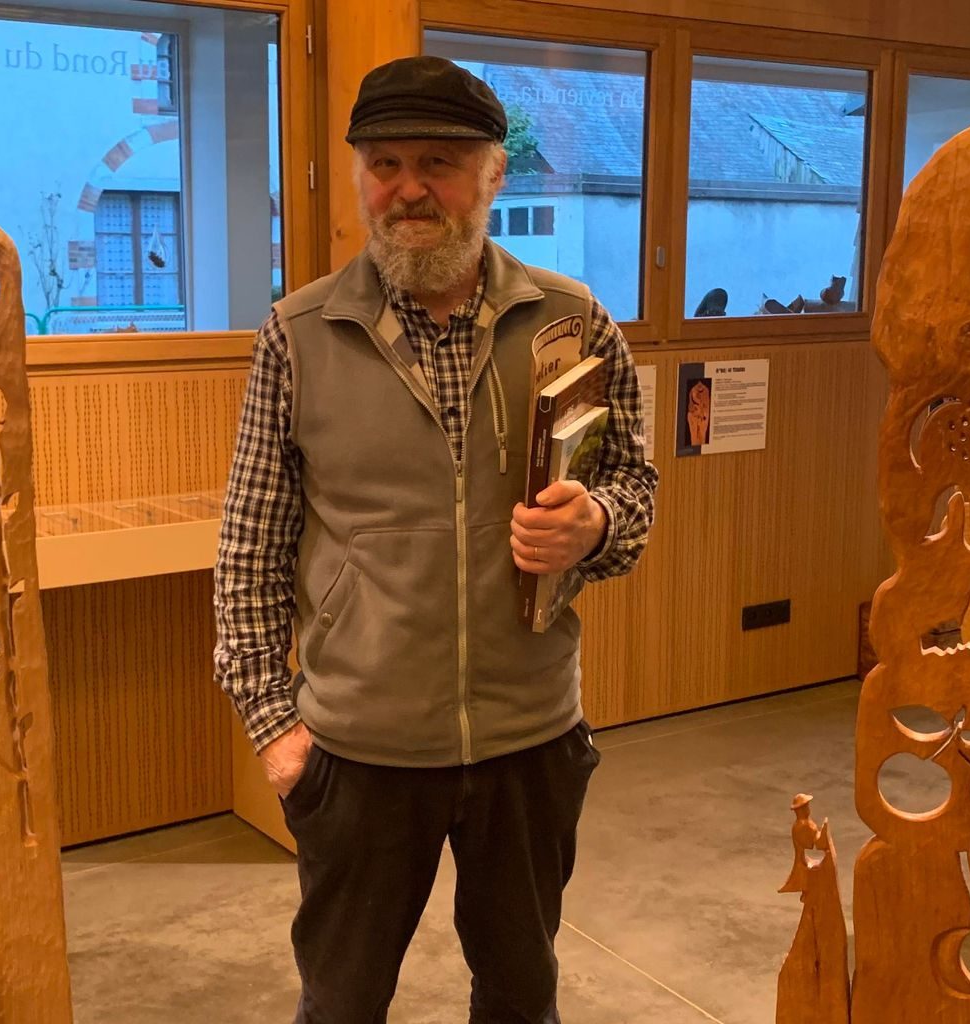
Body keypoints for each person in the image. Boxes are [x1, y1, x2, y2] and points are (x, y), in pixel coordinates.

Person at [213, 55, 659, 1024]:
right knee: (341, 1003)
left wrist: (592, 524)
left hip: (528, 741)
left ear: (493, 173)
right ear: (360, 177)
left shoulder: (573, 322)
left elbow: (634, 487)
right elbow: (249, 548)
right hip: (358, 752)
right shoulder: (299, 334)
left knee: (520, 997)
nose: (409, 188)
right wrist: (275, 730)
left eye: (439, 162)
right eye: (385, 163)